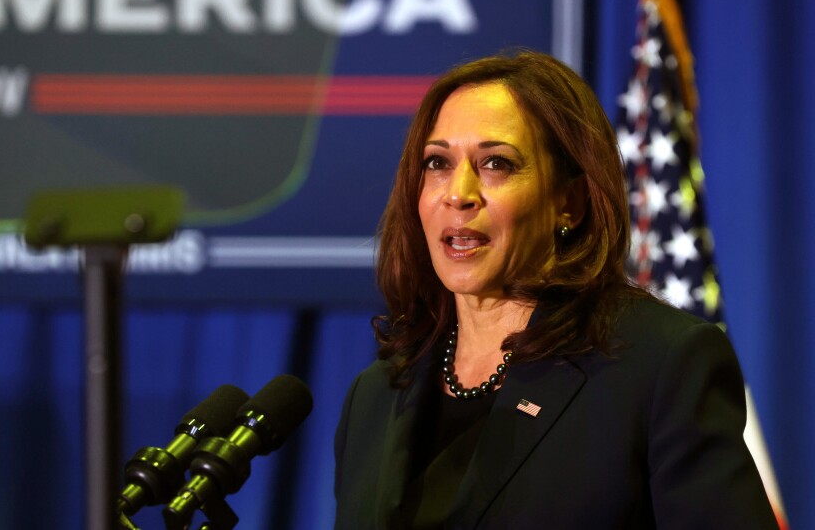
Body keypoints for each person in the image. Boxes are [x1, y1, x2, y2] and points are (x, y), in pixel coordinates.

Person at [332, 51, 778, 529]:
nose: (457, 193)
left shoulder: (657, 366)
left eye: (496, 163)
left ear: (570, 202)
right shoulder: (376, 394)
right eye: (437, 162)